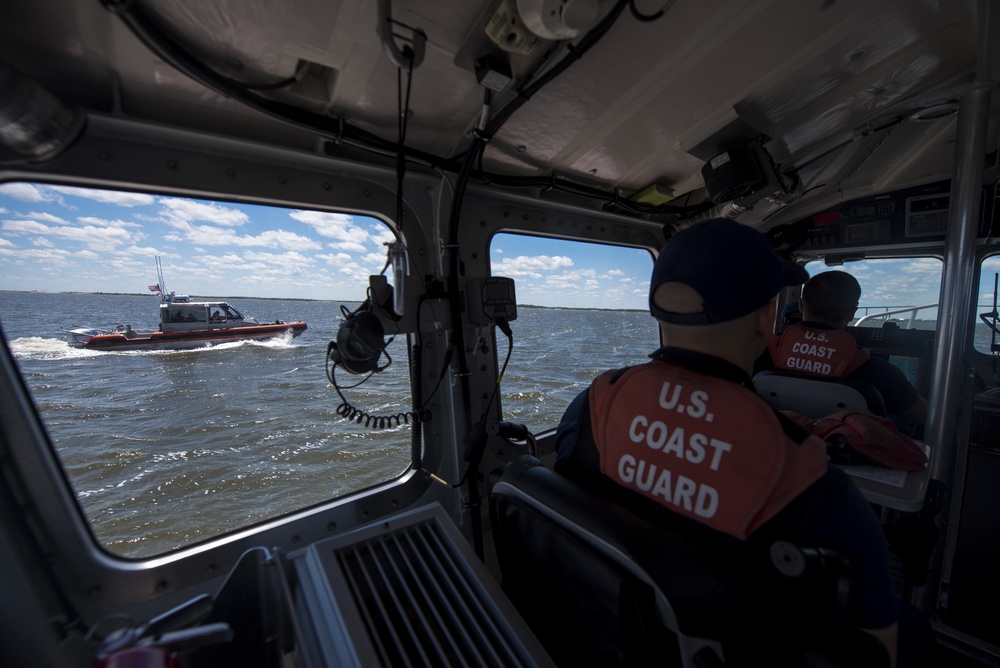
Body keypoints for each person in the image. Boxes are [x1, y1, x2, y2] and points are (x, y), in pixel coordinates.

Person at [553, 219, 910, 666]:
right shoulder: (806, 474)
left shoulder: (592, 404)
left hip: (612, 632)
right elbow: (878, 647)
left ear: (659, 311)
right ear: (767, 319)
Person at [758, 271, 928, 429]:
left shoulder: (760, 354)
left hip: (778, 441)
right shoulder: (878, 371)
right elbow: (924, 417)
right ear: (852, 313)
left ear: (801, 305)